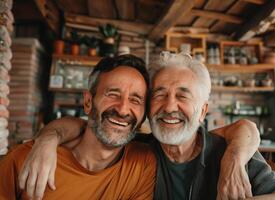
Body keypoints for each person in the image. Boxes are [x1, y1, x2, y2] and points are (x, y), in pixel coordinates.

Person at [15, 53, 275, 199]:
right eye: (159, 94)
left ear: (203, 111)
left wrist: (234, 160)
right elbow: (87, 125)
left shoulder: (229, 151)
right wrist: (48, 138)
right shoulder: (140, 150)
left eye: (183, 95)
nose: (169, 106)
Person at [0, 55, 157, 199]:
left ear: (144, 115)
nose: (123, 110)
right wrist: (48, 138)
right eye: (112, 94)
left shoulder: (143, 164)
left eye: (135, 100)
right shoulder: (26, 159)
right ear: (88, 102)